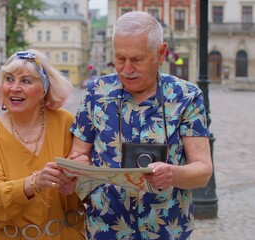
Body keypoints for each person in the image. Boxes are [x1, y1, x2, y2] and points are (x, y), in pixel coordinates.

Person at [68, 11, 213, 239]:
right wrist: (79, 166)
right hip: (106, 228)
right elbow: (77, 153)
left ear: (161, 53)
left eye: (136, 59)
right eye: (120, 58)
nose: (126, 69)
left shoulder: (185, 96)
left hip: (166, 230)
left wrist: (172, 174)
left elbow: (203, 171)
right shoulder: (97, 92)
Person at [0, 49, 86, 240]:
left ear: (44, 90)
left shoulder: (67, 122)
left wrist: (80, 178)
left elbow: (91, 186)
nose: (15, 87)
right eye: (9, 79)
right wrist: (33, 183)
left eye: (25, 81)